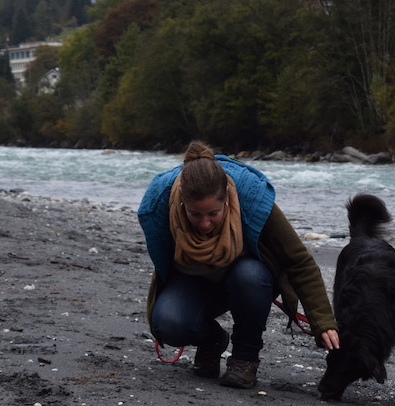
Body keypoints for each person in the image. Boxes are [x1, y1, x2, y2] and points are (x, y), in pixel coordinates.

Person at [138, 141, 340, 389]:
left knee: (250, 275)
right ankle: (212, 340)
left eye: (213, 213)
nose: (204, 223)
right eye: (195, 214)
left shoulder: (251, 198)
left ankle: (245, 359)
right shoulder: (161, 204)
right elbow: (162, 266)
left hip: (247, 282)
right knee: (169, 324)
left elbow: (299, 261)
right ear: (181, 202)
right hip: (193, 279)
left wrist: (322, 322)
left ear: (227, 198)